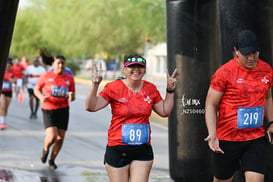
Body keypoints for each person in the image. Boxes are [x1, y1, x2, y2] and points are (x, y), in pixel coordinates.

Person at [85, 54, 177, 182]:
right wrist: (95, 85)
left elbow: (164, 111)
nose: (136, 69)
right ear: (125, 69)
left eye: (140, 67)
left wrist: (170, 91)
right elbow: (91, 106)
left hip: (142, 150)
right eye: (131, 67)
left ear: (144, 70)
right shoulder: (114, 87)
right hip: (117, 148)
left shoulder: (150, 89)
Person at [204, 29, 273, 182]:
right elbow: (210, 104)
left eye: (254, 53)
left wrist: (272, 121)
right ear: (236, 51)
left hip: (256, 137)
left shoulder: (266, 70)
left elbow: (267, 98)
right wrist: (213, 134)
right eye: (246, 54)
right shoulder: (224, 73)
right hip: (228, 139)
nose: (251, 58)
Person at [34, 54, 75, 170]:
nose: (60, 65)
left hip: (63, 109)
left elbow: (72, 96)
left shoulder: (69, 78)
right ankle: (46, 149)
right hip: (49, 108)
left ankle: (52, 159)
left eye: (63, 63)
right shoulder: (46, 76)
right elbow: (36, 89)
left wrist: (71, 96)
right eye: (58, 63)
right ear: (53, 64)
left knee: (60, 138)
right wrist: (41, 98)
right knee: (52, 136)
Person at [0, 58, 17, 129]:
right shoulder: (2, 71)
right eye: (7, 66)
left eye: (10, 66)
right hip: (2, 92)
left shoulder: (12, 72)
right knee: (2, 106)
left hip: (9, 91)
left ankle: (3, 119)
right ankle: (2, 122)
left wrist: (11, 80)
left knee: (6, 107)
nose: (8, 67)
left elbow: (15, 80)